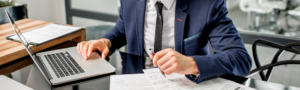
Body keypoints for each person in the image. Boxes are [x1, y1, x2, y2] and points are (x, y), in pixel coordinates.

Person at [77, 0, 252, 83]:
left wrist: (191, 63)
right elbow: (124, 25)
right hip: (136, 81)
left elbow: (241, 59)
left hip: (184, 84)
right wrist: (107, 41)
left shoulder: (207, 5)